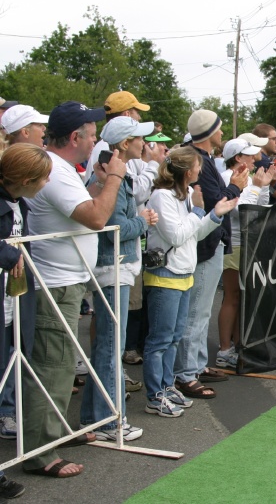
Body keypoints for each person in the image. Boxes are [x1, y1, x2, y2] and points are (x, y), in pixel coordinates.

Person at [23, 101, 127, 478]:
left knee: (62, 364)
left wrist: (99, 181)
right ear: (74, 137)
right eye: (92, 132)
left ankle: (53, 435)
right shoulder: (55, 171)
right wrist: (113, 178)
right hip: (57, 283)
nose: (97, 138)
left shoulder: (61, 169)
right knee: (53, 366)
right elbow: (97, 217)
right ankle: (40, 452)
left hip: (65, 281)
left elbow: (83, 206)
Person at [79, 117, 158, 441]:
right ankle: (110, 422)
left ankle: (93, 417)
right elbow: (111, 227)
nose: (146, 144)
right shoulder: (116, 174)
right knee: (111, 347)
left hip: (117, 267)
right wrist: (142, 222)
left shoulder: (119, 173)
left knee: (107, 346)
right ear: (125, 144)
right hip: (113, 267)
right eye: (139, 138)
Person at [143, 146, 238, 415]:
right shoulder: (162, 196)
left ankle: (166, 385)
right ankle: (155, 394)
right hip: (166, 275)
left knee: (173, 338)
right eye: (197, 166)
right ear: (187, 171)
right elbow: (175, 235)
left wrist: (215, 214)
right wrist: (198, 211)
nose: (201, 170)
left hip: (183, 272)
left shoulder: (183, 197)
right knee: (160, 339)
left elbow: (192, 235)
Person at [175, 110, 248, 395]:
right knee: (197, 311)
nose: (222, 133)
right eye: (219, 128)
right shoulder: (199, 161)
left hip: (211, 241)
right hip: (205, 244)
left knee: (202, 311)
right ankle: (186, 372)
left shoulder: (204, 159)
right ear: (209, 133)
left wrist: (233, 185)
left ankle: (196, 364)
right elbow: (213, 203)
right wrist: (235, 187)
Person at [0, 144, 52, 498]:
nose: (48, 183)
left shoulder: (20, 203)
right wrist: (7, 252)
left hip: (10, 302)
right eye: (43, 177)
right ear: (24, 179)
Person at [216, 139, 272, 370]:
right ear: (237, 158)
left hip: (247, 244)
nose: (254, 158)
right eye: (248, 155)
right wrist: (258, 187)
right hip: (233, 243)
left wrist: (264, 186)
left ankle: (237, 344)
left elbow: (261, 206)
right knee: (232, 296)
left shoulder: (247, 178)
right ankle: (224, 350)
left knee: (242, 297)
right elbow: (241, 211)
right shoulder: (226, 177)